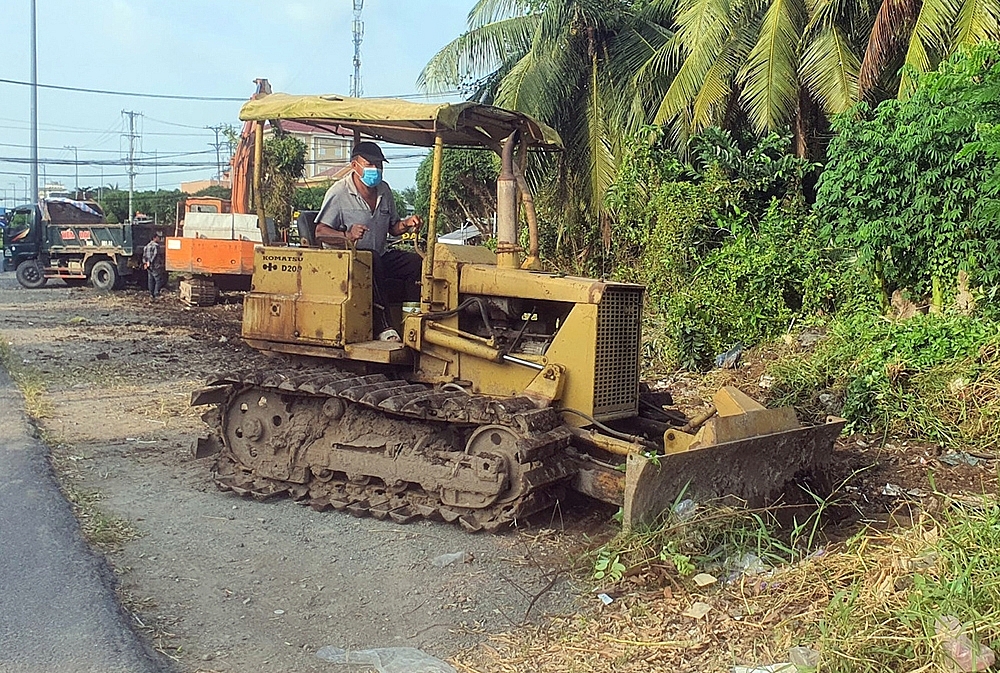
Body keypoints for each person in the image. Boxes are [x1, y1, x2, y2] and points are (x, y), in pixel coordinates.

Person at [313, 141, 423, 342]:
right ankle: (384, 326)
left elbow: (392, 227)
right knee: (370, 259)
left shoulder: (384, 191)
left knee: (415, 263)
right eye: (370, 164)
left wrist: (407, 223)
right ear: (355, 165)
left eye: (379, 165)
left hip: (377, 257)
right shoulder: (339, 193)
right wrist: (347, 236)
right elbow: (320, 231)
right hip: (346, 262)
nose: (376, 169)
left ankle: (411, 322)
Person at [142, 231, 167, 299]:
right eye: (158, 237)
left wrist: (146, 263)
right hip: (155, 265)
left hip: (148, 266)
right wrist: (151, 262)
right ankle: (156, 293)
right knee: (158, 280)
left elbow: (144, 256)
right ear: (154, 238)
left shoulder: (146, 246)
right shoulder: (156, 246)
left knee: (150, 280)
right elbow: (155, 255)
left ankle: (151, 293)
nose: (159, 239)